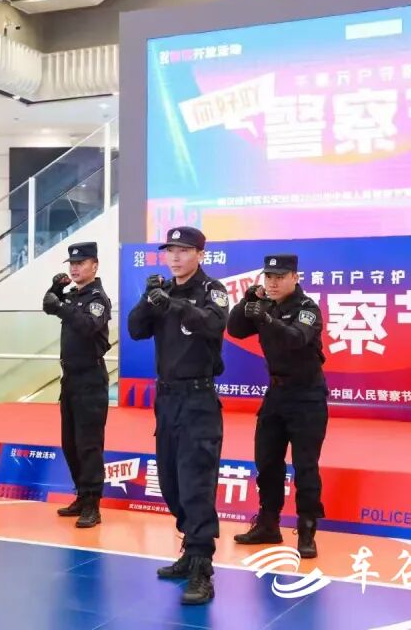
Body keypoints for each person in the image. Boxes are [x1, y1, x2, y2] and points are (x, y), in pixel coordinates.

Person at [127, 226, 228, 605]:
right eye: (170, 250)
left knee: (195, 483)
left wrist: (173, 305)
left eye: (184, 250)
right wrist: (148, 300)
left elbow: (214, 324)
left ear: (200, 254)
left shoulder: (212, 290)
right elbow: (135, 330)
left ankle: (202, 564)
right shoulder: (163, 291)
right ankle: (190, 549)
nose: (175, 257)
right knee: (170, 482)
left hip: (198, 399)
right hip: (166, 399)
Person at [227, 254, 327, 559]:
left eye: (280, 277)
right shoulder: (266, 304)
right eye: (268, 277)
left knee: (305, 466)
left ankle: (307, 530)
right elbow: (235, 329)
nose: (272, 282)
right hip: (276, 394)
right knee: (267, 461)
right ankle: (268, 524)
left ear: (295, 277)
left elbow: (296, 338)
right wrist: (246, 302)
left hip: (307, 397)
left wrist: (267, 320)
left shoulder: (307, 309)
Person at [42, 241, 111, 529]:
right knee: (69, 443)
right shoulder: (73, 295)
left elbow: (87, 326)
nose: (75, 268)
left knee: (88, 444)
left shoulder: (98, 298)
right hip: (69, 379)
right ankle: (81, 495)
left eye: (81, 263)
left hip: (90, 379)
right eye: (72, 263)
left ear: (94, 265)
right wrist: (55, 292)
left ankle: (93, 504)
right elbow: (49, 306)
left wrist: (61, 307)